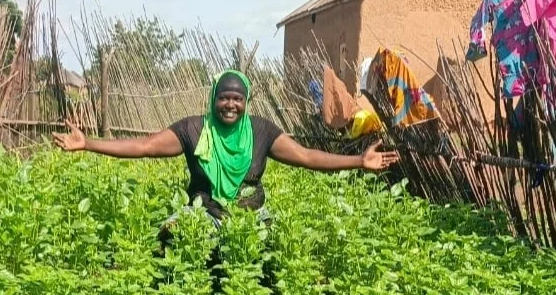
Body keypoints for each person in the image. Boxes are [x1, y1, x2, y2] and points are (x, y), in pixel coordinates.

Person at [51, 69, 400, 229]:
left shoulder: (262, 132)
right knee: (173, 233)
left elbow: (307, 157)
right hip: (207, 216)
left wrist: (359, 161)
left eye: (237, 98)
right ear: (213, 99)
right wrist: (89, 144)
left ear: (246, 101)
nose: (230, 105)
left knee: (279, 242)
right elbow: (144, 146)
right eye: (223, 97)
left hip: (251, 220)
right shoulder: (194, 129)